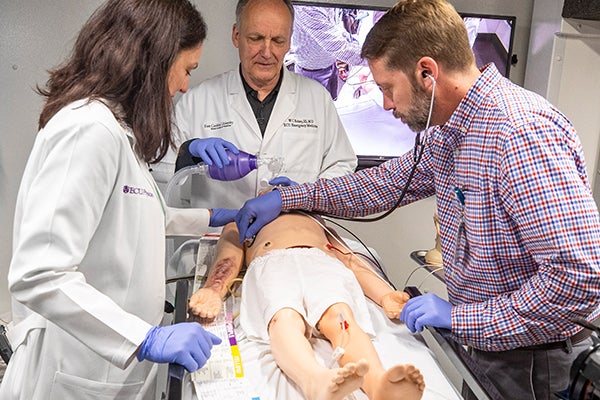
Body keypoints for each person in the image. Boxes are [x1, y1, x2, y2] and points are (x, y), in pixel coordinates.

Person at [234, 0, 600, 398]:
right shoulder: (452, 133)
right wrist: (291, 197)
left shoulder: (519, 134)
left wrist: (463, 319)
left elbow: (578, 277)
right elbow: (382, 186)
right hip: (491, 349)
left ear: (426, 72)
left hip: (534, 364)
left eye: (389, 89)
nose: (387, 105)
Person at [0, 1, 239, 399]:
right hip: (74, 373)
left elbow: (139, 217)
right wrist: (144, 338)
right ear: (152, 61)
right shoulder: (87, 130)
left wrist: (215, 217)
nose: (183, 85)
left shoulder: (118, 130)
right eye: (186, 70)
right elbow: (38, 273)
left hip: (111, 371)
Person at [188, 212, 424, 400]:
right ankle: (314, 380)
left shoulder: (316, 220)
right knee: (284, 318)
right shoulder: (244, 218)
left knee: (341, 317)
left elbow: (350, 258)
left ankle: (378, 385)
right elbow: (228, 258)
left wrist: (384, 295)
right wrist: (214, 290)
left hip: (321, 261)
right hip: (272, 263)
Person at [152, 0, 357, 210]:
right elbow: (159, 175)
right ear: (236, 36)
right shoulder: (197, 101)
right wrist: (188, 154)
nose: (267, 52)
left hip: (292, 236)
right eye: (256, 38)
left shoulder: (317, 99)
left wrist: (305, 197)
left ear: (289, 42)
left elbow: (342, 165)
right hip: (219, 237)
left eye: (278, 40)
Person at [291, 5, 365, 100]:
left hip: (331, 64)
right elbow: (339, 48)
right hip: (311, 73)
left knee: (331, 102)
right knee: (314, 111)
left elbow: (334, 23)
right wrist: (379, 58)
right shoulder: (307, 8)